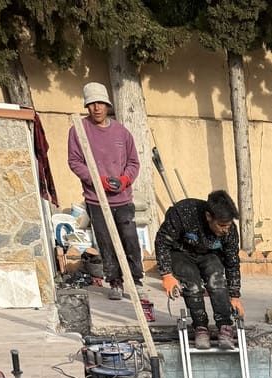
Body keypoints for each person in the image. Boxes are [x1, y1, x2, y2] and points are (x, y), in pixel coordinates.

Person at [67, 82, 143, 301]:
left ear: (108, 105)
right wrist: (96, 180)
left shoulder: (121, 132)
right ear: (86, 106)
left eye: (100, 103)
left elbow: (133, 162)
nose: (96, 108)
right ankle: (115, 282)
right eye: (92, 104)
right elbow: (75, 162)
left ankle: (135, 280)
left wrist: (125, 179)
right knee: (106, 242)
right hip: (96, 199)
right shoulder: (78, 130)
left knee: (130, 239)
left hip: (122, 198)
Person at [155, 191, 244, 350]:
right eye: (221, 226)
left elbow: (232, 262)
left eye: (228, 226)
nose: (225, 230)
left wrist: (235, 295)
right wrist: (166, 274)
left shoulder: (230, 231)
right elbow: (162, 241)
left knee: (216, 280)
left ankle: (225, 327)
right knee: (193, 285)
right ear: (209, 216)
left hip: (209, 255)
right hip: (181, 253)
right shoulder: (184, 213)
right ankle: (200, 328)